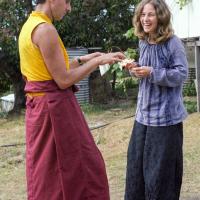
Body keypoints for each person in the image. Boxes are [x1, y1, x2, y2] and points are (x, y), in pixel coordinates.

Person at [18, 0, 125, 199]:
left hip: (40, 109)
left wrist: (83, 60)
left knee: (48, 172)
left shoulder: (29, 26)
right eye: (67, 1)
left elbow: (52, 73)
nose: (68, 8)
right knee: (84, 168)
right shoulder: (45, 29)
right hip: (54, 111)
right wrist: (97, 62)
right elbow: (63, 80)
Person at [124, 0, 188, 199]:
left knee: (161, 175)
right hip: (143, 117)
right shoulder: (143, 41)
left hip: (165, 120)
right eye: (142, 15)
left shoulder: (173, 42)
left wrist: (152, 72)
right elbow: (146, 73)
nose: (145, 19)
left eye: (150, 14)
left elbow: (181, 74)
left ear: (160, 16)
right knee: (137, 171)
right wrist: (135, 68)